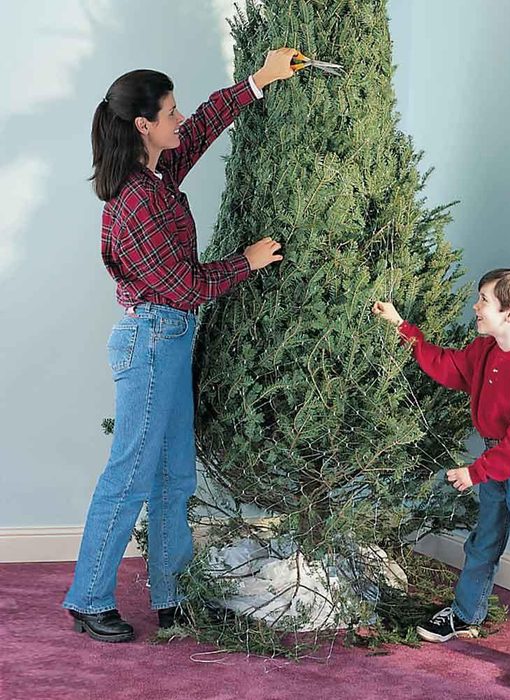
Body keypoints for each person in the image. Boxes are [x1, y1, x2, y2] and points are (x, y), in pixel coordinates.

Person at [63, 48, 297, 642]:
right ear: (143, 125)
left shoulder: (158, 173)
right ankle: (88, 597)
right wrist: (245, 262)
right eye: (169, 112)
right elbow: (184, 286)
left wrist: (258, 80)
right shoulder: (137, 201)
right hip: (151, 339)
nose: (179, 118)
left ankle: (173, 599)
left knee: (174, 478)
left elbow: (202, 129)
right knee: (132, 474)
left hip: (169, 339)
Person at [372, 269, 510, 692]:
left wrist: (476, 471)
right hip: (496, 459)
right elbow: (447, 365)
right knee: (483, 544)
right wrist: (401, 327)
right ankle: (466, 615)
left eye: (484, 300)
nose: (476, 307)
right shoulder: (484, 350)